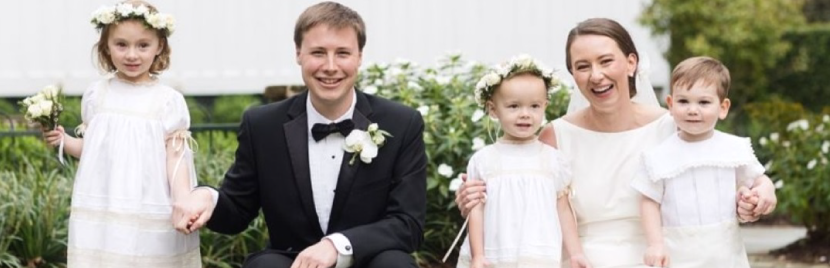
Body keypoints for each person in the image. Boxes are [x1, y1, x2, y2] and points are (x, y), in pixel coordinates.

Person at [455, 18, 777, 268]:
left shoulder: (674, 127)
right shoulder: (555, 136)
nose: (596, 75)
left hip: (663, 256)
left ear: (631, 63)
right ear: (574, 76)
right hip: (583, 259)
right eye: (582, 66)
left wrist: (761, 194)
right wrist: (475, 196)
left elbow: (718, 169)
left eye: (606, 61)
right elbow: (522, 191)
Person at [173, 2, 427, 268]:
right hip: (292, 261)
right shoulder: (262, 125)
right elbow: (237, 212)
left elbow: (407, 224)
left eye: (342, 53)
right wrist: (207, 197)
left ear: (359, 57)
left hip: (368, 260)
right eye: (318, 52)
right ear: (298, 53)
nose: (330, 66)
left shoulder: (401, 123)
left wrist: (336, 245)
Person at [41, 1, 201, 267]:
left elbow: (176, 158)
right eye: (121, 44)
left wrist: (183, 200)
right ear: (106, 46)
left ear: (159, 46)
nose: (132, 55)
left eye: (143, 45)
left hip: (150, 203)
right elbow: (93, 151)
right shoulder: (97, 95)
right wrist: (64, 140)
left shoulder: (166, 101)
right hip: (104, 206)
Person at [454, 55, 588, 268]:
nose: (525, 114)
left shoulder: (553, 159)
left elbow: (563, 210)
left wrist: (576, 253)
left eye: (534, 106)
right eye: (514, 106)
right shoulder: (484, 160)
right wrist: (478, 255)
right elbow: (475, 210)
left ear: (545, 106)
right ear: (493, 109)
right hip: (495, 251)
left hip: (539, 251)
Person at [631, 56, 757, 267]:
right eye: (683, 101)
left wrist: (763, 193)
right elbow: (649, 202)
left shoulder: (733, 148)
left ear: (723, 107)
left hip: (725, 250)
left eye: (704, 102)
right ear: (670, 104)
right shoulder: (658, 156)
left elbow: (758, 179)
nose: (692, 109)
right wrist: (655, 244)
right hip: (678, 251)